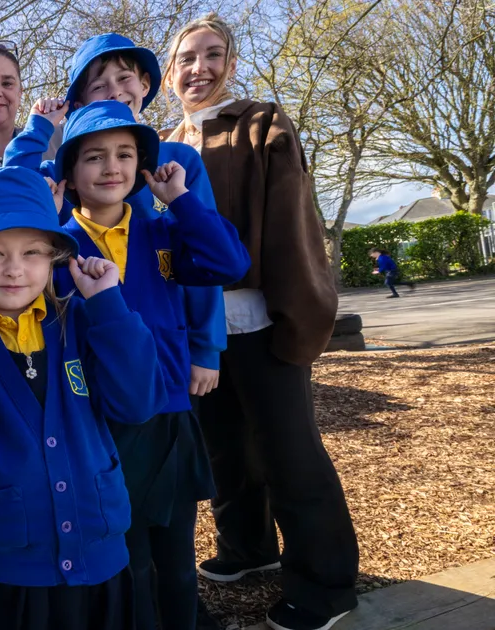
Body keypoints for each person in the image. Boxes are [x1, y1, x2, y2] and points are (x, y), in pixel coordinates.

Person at [163, 14, 360, 630]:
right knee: (225, 448)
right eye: (187, 58)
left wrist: (300, 312)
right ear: (170, 72)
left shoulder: (260, 123)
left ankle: (326, 584)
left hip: (258, 320)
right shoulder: (164, 142)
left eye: (213, 55)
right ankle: (247, 548)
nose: (200, 69)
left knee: (289, 451)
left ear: (230, 62)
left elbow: (290, 223)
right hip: (199, 329)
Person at [0, 166, 167, 630]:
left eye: (32, 251)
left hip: (101, 559)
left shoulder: (84, 321)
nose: (14, 268)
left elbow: (137, 403)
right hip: (10, 573)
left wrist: (109, 302)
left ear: (53, 257)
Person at [43, 99, 247, 630]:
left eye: (124, 154)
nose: (111, 167)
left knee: (177, 563)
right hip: (100, 424)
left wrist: (180, 199)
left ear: (141, 165)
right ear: (69, 170)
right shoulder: (55, 246)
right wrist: (44, 213)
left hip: (169, 416)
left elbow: (229, 262)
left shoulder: (163, 230)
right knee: (128, 561)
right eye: (93, 157)